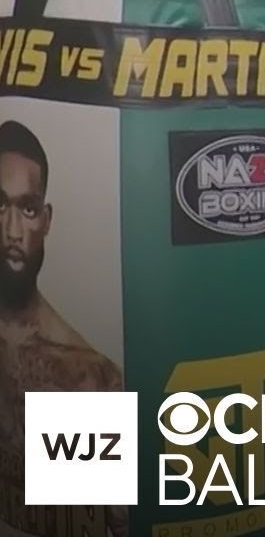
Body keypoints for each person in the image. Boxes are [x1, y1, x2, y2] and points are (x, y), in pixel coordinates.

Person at [0, 119, 125, 537]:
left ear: (46, 220)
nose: (12, 231)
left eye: (28, 209)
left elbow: (88, 523)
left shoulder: (80, 376)